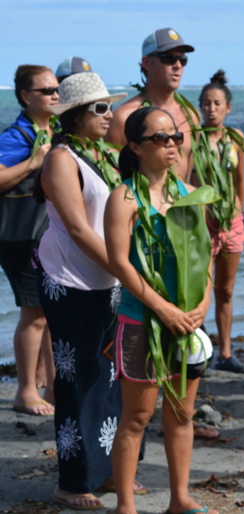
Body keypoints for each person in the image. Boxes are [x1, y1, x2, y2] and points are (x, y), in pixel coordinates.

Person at [105, 107, 217, 514]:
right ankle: (126, 506)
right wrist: (163, 309)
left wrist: (203, 303)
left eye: (176, 137)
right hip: (142, 319)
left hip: (186, 322)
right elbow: (120, 263)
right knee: (136, 417)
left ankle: (180, 498)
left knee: (182, 414)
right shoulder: (124, 198)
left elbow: (204, 258)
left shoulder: (190, 194)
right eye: (159, 138)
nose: (171, 144)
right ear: (135, 146)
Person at [35, 72, 129, 510]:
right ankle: (71, 482)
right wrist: (125, 270)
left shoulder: (98, 155)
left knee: (106, 376)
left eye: (108, 106)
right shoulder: (60, 158)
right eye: (100, 108)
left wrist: (121, 270)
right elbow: (76, 227)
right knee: (75, 381)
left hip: (104, 281)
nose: (108, 114)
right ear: (74, 116)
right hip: (70, 281)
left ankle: (104, 470)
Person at [0, 64, 58, 416]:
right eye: (47, 91)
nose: (55, 95)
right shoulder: (15, 137)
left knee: (49, 312)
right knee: (34, 313)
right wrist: (33, 163)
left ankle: (52, 386)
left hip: (45, 236)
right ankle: (25, 391)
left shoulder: (53, 129)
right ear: (25, 96)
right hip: (21, 239)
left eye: (57, 90)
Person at [197, 70, 244, 373]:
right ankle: (201, 349)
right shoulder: (192, 139)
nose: (211, 108)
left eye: (217, 103)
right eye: (206, 103)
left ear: (228, 107)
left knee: (226, 291)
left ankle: (226, 352)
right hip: (203, 224)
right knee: (201, 288)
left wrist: (238, 211)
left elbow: (240, 179)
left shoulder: (235, 139)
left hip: (231, 223)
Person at [107, 27, 197, 181]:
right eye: (168, 58)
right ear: (147, 62)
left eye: (183, 60)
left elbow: (190, 174)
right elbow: (113, 177)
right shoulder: (124, 117)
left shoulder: (190, 115)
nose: (178, 65)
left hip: (183, 204)